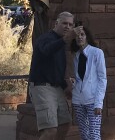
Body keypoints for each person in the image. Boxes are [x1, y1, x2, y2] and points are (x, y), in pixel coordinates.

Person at [29, 11, 76, 140]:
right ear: (56, 23)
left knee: (65, 124)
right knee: (50, 130)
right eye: (64, 23)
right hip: (42, 87)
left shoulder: (61, 43)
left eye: (70, 25)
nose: (67, 27)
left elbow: (56, 71)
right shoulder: (46, 38)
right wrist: (65, 40)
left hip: (56, 88)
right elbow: (46, 50)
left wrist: (66, 86)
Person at [70, 25, 107, 140]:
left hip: (92, 100)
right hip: (78, 100)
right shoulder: (76, 55)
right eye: (77, 35)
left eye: (82, 34)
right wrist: (73, 83)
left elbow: (102, 79)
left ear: (87, 37)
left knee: (94, 134)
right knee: (84, 134)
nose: (79, 37)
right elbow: (79, 77)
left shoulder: (97, 53)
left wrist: (98, 103)